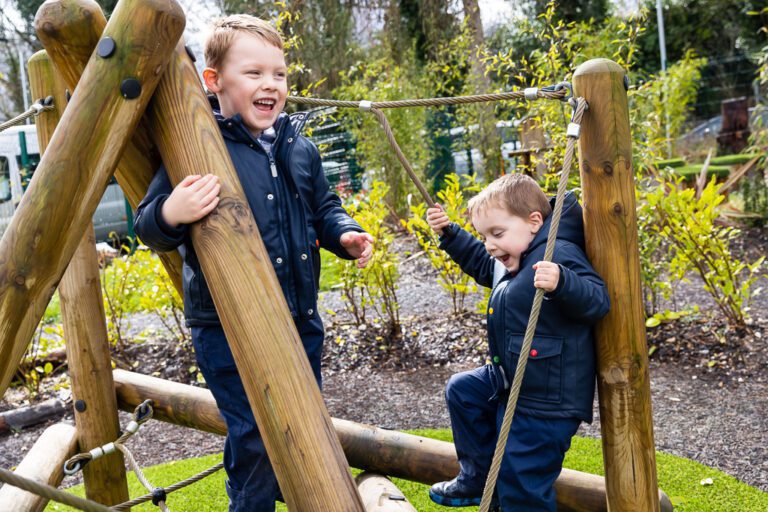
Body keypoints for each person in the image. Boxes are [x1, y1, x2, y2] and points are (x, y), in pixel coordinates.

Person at [133, 14, 373, 512]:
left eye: (279, 74)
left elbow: (323, 207)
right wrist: (173, 212)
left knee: (303, 419)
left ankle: (299, 493)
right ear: (213, 81)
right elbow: (146, 223)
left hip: (299, 318)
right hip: (227, 328)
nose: (271, 85)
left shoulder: (298, 146)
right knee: (256, 433)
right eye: (254, 73)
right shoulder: (199, 146)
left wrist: (344, 232)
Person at [425, 173, 609, 511]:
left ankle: (505, 493)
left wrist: (562, 282)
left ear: (534, 222)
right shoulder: (516, 253)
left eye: (497, 234)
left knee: (520, 480)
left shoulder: (559, 253)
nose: (490, 245)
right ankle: (479, 478)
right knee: (463, 392)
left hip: (547, 399)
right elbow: (485, 266)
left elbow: (598, 300)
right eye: (484, 236)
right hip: (515, 381)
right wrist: (450, 235)